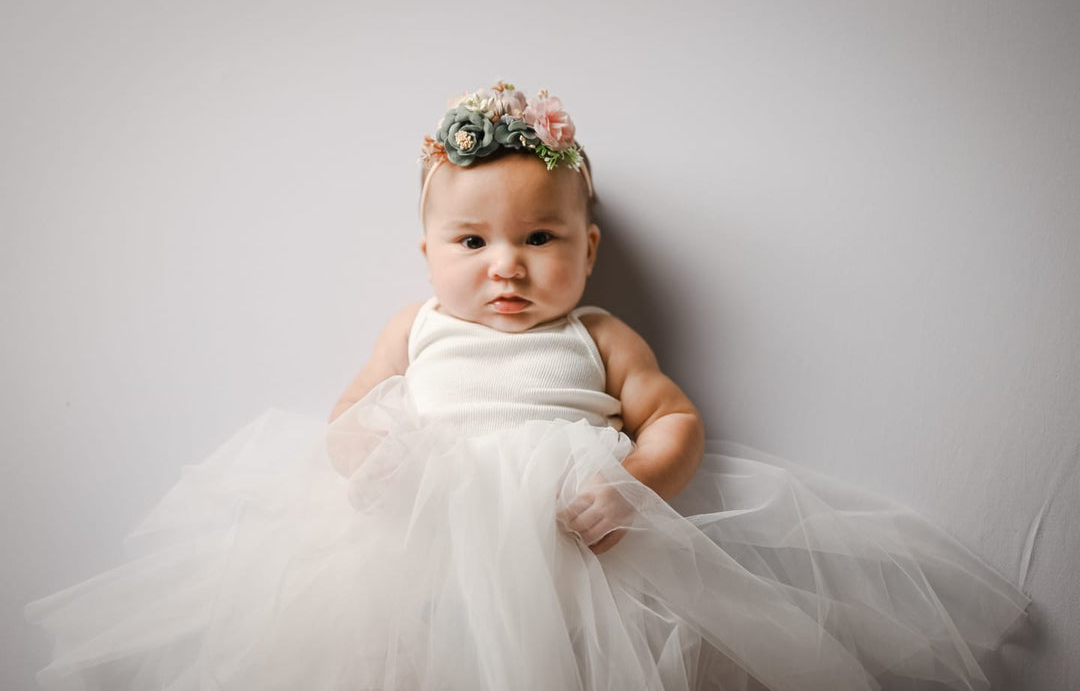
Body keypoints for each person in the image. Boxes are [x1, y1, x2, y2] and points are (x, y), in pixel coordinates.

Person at [26, 82, 1029, 691]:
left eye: (539, 239)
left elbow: (674, 414)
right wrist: (363, 454)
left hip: (577, 538)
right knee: (398, 656)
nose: (506, 266)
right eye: (473, 241)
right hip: (423, 536)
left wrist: (638, 482)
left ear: (587, 251)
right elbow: (349, 413)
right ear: (426, 252)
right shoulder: (416, 329)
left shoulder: (599, 334)